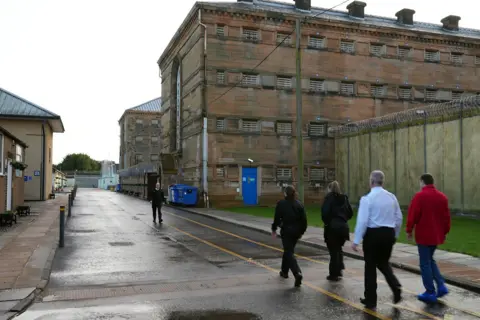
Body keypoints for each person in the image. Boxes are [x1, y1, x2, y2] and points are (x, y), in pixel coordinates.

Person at [352, 170, 403, 309]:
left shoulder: (367, 199)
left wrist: (356, 240)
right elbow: (399, 218)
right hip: (388, 233)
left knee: (370, 267)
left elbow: (362, 221)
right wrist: (395, 234)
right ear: (383, 181)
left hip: (373, 235)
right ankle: (395, 286)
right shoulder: (392, 197)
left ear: (371, 181)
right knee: (383, 263)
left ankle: (371, 299)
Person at [406, 173, 450, 303]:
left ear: (422, 182)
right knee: (430, 260)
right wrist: (445, 231)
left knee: (425, 263)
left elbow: (413, 214)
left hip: (424, 235)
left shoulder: (419, 196)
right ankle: (441, 285)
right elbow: (446, 218)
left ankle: (430, 291)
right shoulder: (442, 197)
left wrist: (409, 230)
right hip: (436, 235)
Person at [271, 186, 307, 287]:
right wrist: (301, 232)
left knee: (289, 252)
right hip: (296, 232)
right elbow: (304, 220)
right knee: (288, 250)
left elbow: (277, 218)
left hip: (286, 231)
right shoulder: (299, 204)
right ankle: (284, 271)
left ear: (285, 194)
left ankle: (297, 273)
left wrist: (274, 229)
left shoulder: (281, 204)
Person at [321, 181, 353, 281]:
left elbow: (325, 213)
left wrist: (327, 222)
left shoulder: (328, 199)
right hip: (343, 227)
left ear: (330, 189)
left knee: (333, 251)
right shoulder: (344, 198)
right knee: (338, 249)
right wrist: (343, 219)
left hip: (332, 227)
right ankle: (339, 270)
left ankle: (333, 274)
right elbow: (350, 213)